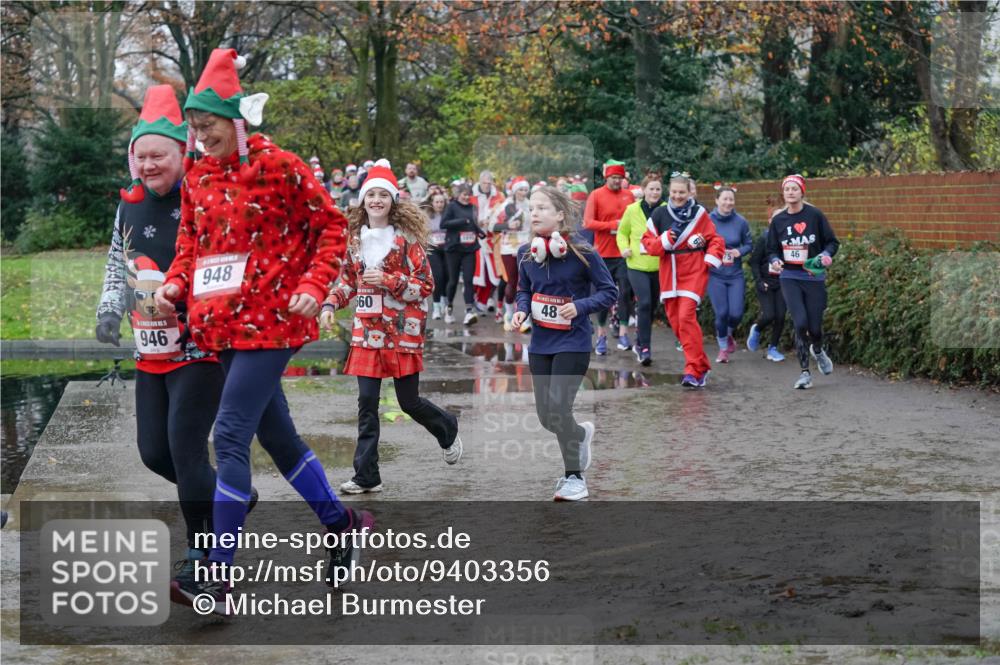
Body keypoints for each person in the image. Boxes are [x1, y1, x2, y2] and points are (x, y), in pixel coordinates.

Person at [153, 49, 370, 614]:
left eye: (209, 126)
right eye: (194, 128)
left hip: (274, 322)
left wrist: (317, 286)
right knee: (276, 437)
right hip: (220, 327)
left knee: (228, 438)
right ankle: (342, 522)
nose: (201, 138)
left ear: (237, 120)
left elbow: (329, 227)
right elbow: (191, 245)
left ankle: (218, 576)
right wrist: (176, 284)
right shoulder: (198, 174)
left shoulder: (280, 166)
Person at [97, 84, 234, 597]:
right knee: (155, 453)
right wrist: (109, 311)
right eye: (141, 156)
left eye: (160, 154)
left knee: (186, 449)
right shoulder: (128, 206)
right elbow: (118, 263)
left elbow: (224, 265)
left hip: (199, 349)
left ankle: (204, 557)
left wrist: (190, 302)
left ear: (183, 152)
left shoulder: (204, 196)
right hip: (149, 349)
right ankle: (229, 500)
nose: (149, 165)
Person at [321, 160, 462, 494]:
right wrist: (329, 303)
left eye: (383, 195)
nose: (377, 201)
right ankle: (367, 474)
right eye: (372, 195)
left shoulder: (407, 241)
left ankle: (447, 428)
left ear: (393, 201)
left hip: (402, 333)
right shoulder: (354, 241)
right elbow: (346, 282)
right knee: (366, 403)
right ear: (363, 200)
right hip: (367, 332)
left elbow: (425, 284)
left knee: (408, 402)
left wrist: (387, 280)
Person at [511, 186, 616, 501]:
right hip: (542, 343)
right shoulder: (526, 253)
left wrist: (580, 306)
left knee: (559, 407)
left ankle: (575, 478)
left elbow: (610, 292)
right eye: (532, 209)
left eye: (542, 208)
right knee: (547, 417)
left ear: (560, 215)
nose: (535, 214)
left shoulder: (584, 251)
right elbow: (523, 290)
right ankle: (580, 434)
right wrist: (521, 310)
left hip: (574, 341)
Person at [641, 172, 725, 388]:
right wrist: (666, 240)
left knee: (686, 317)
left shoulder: (699, 213)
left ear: (689, 192)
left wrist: (709, 256)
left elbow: (715, 239)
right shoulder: (659, 214)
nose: (678, 196)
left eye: (682, 192)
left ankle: (692, 370)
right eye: (675, 192)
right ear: (670, 191)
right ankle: (701, 365)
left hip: (694, 270)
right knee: (677, 323)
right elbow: (647, 245)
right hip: (669, 273)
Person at [766, 174, 839, 389]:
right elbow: (771, 249)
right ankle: (805, 373)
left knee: (814, 327)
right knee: (800, 324)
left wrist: (826, 255)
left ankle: (817, 349)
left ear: (802, 192)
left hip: (813, 276)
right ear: (783, 193)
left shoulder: (814, 215)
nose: (790, 192)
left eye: (794, 189)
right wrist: (775, 260)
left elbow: (832, 242)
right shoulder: (778, 220)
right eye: (787, 189)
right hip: (790, 276)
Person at [583, 159, 636, 355]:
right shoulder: (596, 195)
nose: (616, 181)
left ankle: (623, 334)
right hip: (603, 254)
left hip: (624, 253)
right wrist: (613, 225)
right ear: (606, 178)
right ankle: (601, 335)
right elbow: (588, 222)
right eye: (613, 178)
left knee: (624, 293)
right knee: (604, 297)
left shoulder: (629, 196)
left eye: (620, 178)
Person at [617, 175, 666, 366]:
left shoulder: (665, 210)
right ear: (644, 190)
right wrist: (624, 249)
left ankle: (640, 340)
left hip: (659, 266)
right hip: (636, 265)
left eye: (658, 189)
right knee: (644, 302)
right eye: (651, 189)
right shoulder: (632, 209)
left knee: (651, 306)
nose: (654, 192)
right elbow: (622, 233)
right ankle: (645, 348)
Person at [707, 186, 753, 363]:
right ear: (717, 200)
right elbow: (700, 242)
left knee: (736, 313)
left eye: (731, 199)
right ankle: (723, 349)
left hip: (735, 274)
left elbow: (749, 244)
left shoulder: (741, 221)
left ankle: (727, 334)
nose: (728, 203)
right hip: (715, 274)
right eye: (724, 199)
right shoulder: (708, 220)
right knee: (721, 313)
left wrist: (739, 252)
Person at [492, 176, 532, 331]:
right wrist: (507, 225)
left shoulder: (531, 205)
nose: (523, 192)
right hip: (508, 248)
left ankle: (524, 318)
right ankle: (508, 315)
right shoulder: (505, 205)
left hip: (527, 247)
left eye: (525, 190)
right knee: (512, 281)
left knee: (527, 283)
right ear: (515, 191)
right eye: (520, 189)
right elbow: (492, 226)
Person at [747, 214, 787, 362]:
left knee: (781, 316)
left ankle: (773, 348)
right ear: (770, 221)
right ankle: (757, 329)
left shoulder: (788, 240)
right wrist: (759, 281)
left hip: (783, 282)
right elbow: (754, 262)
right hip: (766, 283)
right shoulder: (765, 238)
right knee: (770, 315)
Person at [441, 183, 482, 324]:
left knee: (469, 280)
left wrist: (480, 232)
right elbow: (444, 224)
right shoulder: (452, 206)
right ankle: (449, 307)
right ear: (458, 195)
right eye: (464, 194)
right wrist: (462, 221)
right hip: (453, 248)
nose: (466, 197)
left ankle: (469, 312)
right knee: (453, 281)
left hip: (469, 248)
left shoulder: (472, 208)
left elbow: (473, 224)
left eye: (468, 194)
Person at [471, 170, 505, 312]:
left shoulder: (499, 197)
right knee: (477, 271)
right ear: (479, 182)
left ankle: (489, 298)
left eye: (489, 182)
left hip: (493, 239)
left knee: (495, 272)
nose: (486, 185)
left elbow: (503, 215)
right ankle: (476, 299)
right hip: (475, 239)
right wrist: (477, 222)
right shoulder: (472, 197)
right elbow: (468, 215)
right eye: (484, 182)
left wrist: (492, 222)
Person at [422, 191, 450, 320]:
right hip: (433, 249)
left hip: (448, 249)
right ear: (432, 203)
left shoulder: (448, 215)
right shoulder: (427, 216)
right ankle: (437, 306)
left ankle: (444, 300)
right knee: (438, 277)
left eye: (441, 202)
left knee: (447, 277)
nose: (439, 204)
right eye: (437, 202)